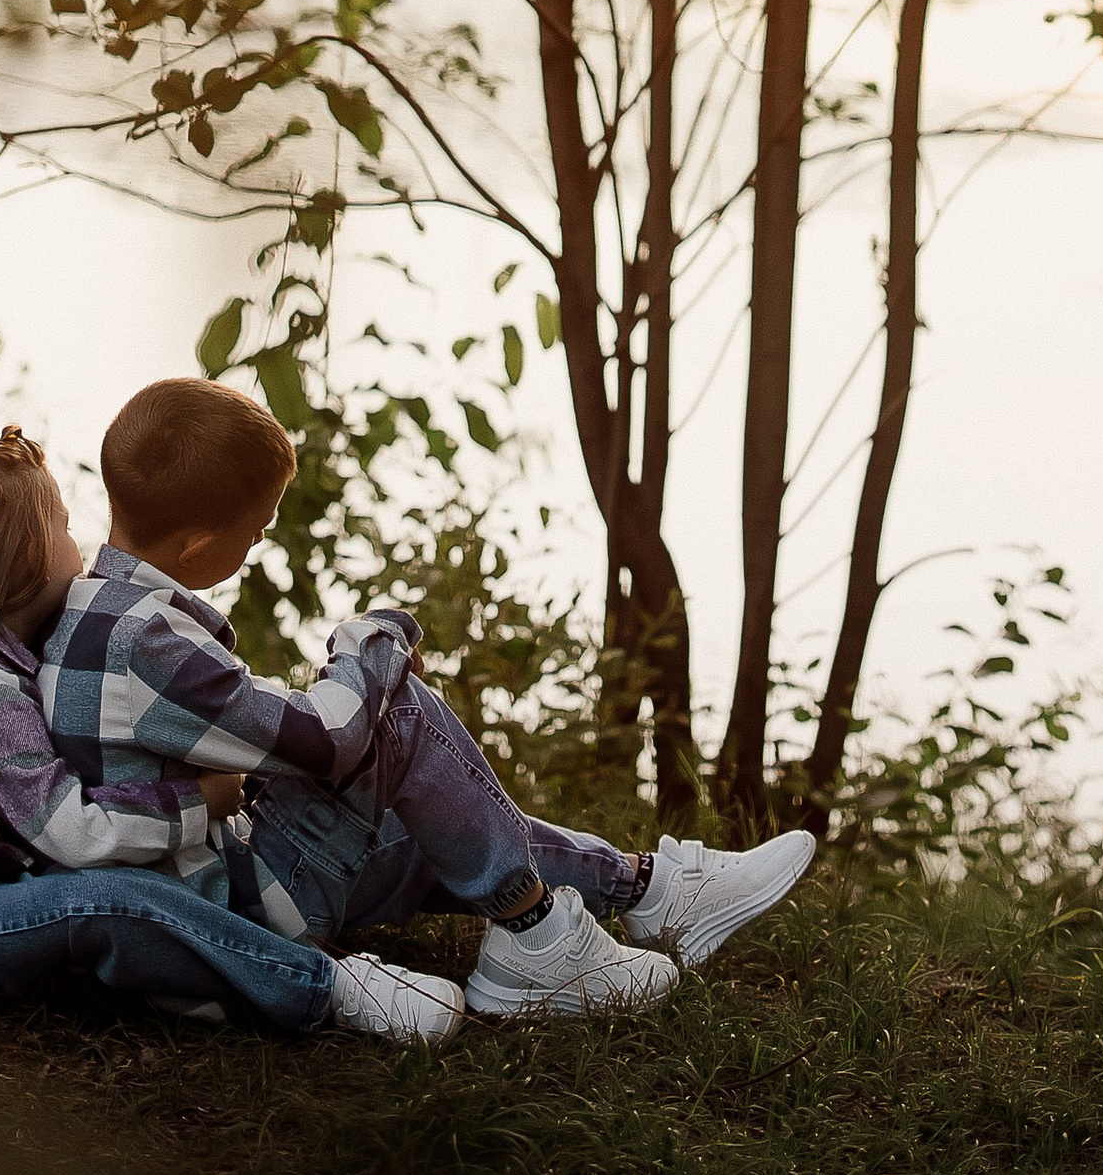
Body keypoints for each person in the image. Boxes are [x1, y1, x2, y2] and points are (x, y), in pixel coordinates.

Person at [41, 376, 814, 1022]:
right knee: (395, 713)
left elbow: (239, 728)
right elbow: (330, 739)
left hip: (213, 869)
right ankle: (535, 939)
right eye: (257, 533)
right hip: (233, 911)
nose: (256, 548)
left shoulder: (92, 611)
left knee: (434, 822)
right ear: (199, 548)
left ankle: (656, 893)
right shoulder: (148, 641)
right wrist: (370, 638)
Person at [0, 421, 462, 1043]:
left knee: (116, 896)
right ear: (27, 554)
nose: (77, 549)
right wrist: (203, 801)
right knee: (108, 901)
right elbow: (77, 833)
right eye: (62, 527)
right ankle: (324, 988)